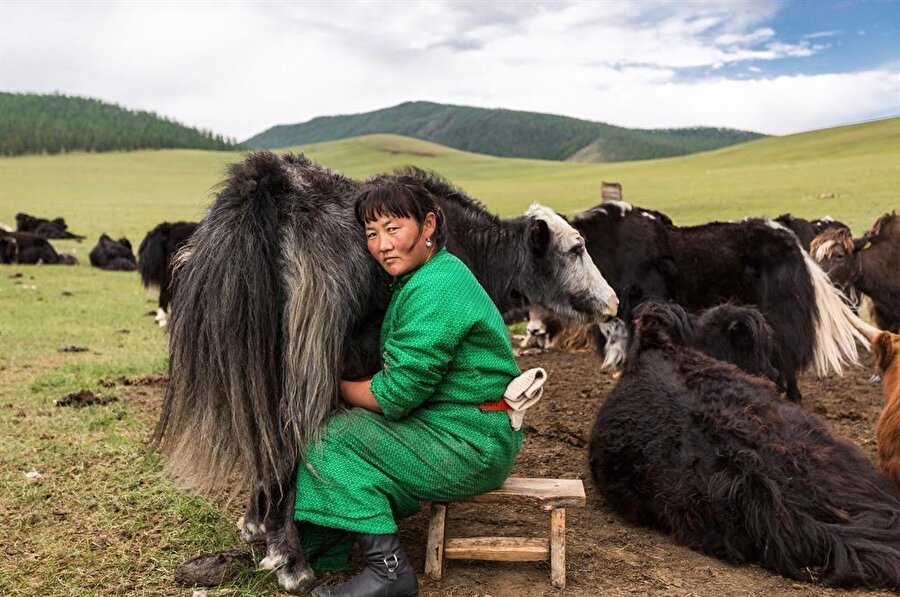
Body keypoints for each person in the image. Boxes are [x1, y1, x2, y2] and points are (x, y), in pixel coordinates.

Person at [293, 175, 524, 597]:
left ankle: (389, 572)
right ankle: (325, 546)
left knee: (333, 440)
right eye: (372, 233)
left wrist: (336, 388)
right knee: (351, 432)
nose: (382, 245)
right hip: (464, 428)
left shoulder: (436, 289)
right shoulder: (433, 276)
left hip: (470, 442)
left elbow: (395, 395)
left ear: (429, 226)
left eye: (394, 228)